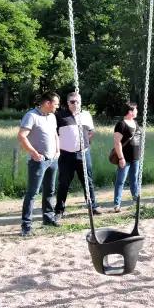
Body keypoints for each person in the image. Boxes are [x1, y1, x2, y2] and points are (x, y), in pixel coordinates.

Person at [18, 92, 61, 236]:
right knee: (32, 193)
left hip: (53, 160)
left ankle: (48, 218)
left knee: (50, 190)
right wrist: (34, 153)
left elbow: (55, 134)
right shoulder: (31, 116)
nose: (57, 106)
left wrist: (58, 150)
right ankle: (26, 225)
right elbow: (21, 136)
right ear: (47, 103)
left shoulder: (52, 117)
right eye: (56, 103)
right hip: (38, 162)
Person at [54, 92, 100, 221]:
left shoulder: (86, 115)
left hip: (84, 154)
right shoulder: (59, 116)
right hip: (66, 154)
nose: (75, 104)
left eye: (77, 101)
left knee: (88, 181)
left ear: (80, 102)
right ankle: (59, 210)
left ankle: (92, 206)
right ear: (67, 103)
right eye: (72, 102)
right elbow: (54, 134)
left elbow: (91, 132)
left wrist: (84, 144)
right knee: (63, 183)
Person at [113, 102, 142, 212]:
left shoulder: (135, 122)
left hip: (136, 157)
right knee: (121, 181)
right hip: (125, 158)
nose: (137, 111)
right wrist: (121, 158)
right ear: (130, 111)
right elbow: (117, 142)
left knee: (134, 179)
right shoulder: (121, 124)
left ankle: (136, 201)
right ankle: (117, 204)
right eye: (135, 109)